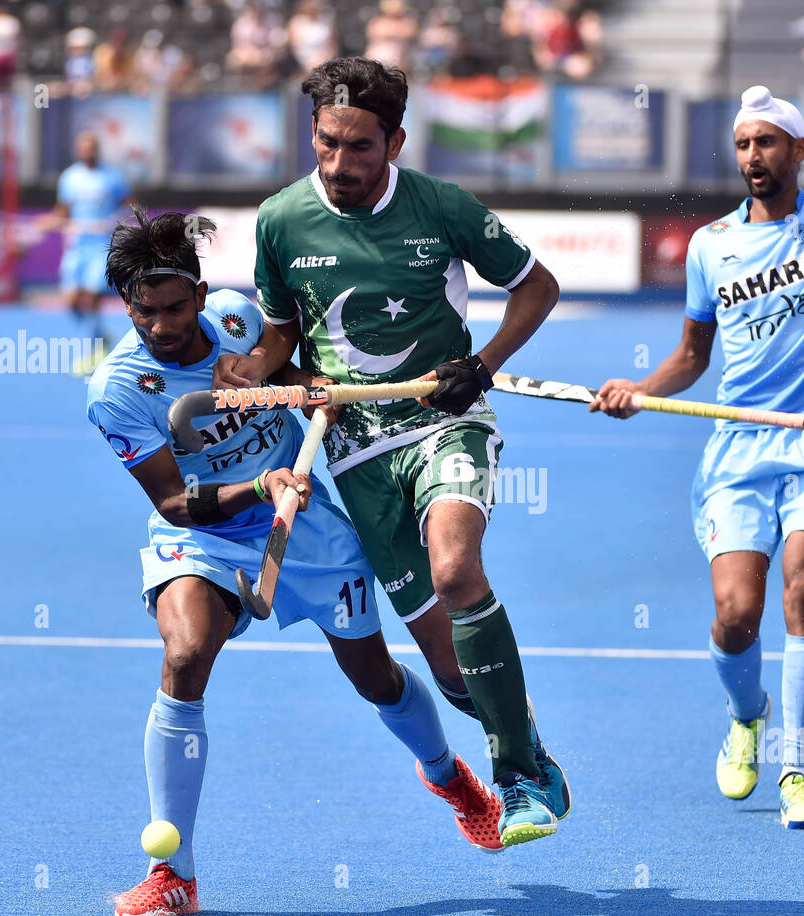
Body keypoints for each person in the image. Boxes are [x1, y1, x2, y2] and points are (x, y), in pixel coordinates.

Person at [89, 209, 502, 916]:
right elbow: (173, 500)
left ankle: (447, 775)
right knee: (185, 655)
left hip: (306, 531)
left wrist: (315, 392)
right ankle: (172, 872)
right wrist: (258, 485)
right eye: (143, 312)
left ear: (198, 290)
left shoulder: (239, 321)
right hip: (204, 536)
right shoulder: (119, 388)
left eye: (173, 308)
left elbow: (306, 374)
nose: (160, 326)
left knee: (375, 678)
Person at [216, 56, 569, 848]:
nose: (340, 164)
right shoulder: (280, 220)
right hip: (354, 450)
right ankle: (524, 736)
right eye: (326, 143)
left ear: (396, 141)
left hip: (446, 422)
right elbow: (282, 332)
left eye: (360, 148)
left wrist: (482, 366)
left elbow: (537, 287)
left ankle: (517, 777)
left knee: (456, 569)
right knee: (450, 675)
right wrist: (263, 372)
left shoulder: (442, 207)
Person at [592, 0, 804, 830]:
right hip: (737, 449)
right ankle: (747, 717)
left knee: (803, 585)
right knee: (735, 616)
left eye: (766, 141)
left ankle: (800, 776)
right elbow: (692, 353)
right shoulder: (711, 245)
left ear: (798, 150)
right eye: (742, 143)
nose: (751, 155)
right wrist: (639, 387)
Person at [37, 132, 132, 366]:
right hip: (77, 245)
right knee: (70, 301)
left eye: (91, 147)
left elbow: (130, 205)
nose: (87, 151)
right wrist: (49, 220)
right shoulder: (69, 178)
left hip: (101, 246)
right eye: (83, 147)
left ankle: (97, 349)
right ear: (77, 150)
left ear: (97, 150)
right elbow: (63, 211)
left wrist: (117, 220)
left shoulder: (113, 177)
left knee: (91, 297)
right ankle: (101, 336)